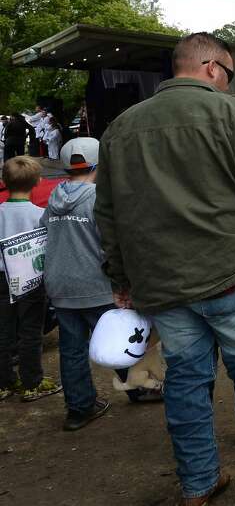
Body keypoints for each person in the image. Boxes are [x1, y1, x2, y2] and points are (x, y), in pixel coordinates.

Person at [95, 32, 235, 506]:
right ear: (214, 68)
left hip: (161, 283)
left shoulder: (120, 127)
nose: (229, 84)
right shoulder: (233, 112)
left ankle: (198, 484)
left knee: (186, 380)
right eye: (229, 75)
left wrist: (121, 279)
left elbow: (107, 213)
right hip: (230, 274)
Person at [41, 137, 158, 431]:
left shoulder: (55, 197)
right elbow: (111, 244)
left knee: (72, 350)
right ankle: (139, 387)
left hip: (61, 285)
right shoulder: (98, 198)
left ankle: (78, 408)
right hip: (96, 283)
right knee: (122, 340)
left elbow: (42, 234)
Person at [0, 156, 61, 402]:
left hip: (1, 278)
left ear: (4, 181)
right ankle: (32, 381)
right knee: (30, 331)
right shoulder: (40, 214)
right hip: (31, 279)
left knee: (3, 331)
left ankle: (4, 382)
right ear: (37, 181)